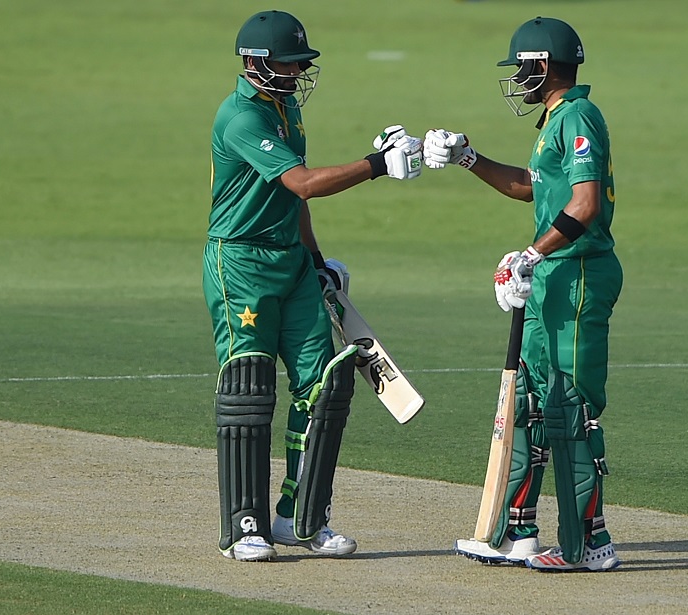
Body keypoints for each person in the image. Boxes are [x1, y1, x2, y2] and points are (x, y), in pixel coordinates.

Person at [202, 9, 422, 562]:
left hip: (292, 262)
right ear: (254, 63)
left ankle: (300, 519)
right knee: (250, 386)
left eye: (302, 62)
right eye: (288, 62)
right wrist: (377, 165)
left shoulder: (285, 106)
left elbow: (291, 197)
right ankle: (242, 525)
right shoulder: (241, 118)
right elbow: (304, 181)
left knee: (325, 384)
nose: (298, 72)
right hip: (242, 264)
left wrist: (317, 260)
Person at [424, 16, 623, 571]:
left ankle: (591, 544)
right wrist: (469, 157)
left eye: (522, 67)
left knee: (571, 407)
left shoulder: (579, 115)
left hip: (578, 273)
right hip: (552, 274)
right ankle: (519, 534)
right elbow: (531, 189)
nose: (517, 77)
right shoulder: (554, 119)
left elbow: (584, 205)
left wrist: (531, 254)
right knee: (534, 405)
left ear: (543, 65)